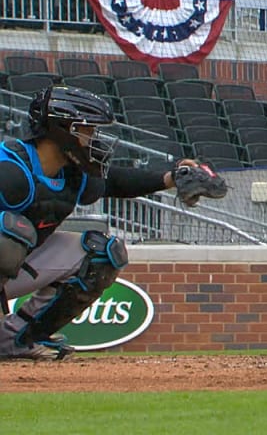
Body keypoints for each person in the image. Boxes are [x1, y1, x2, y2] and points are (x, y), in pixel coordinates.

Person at [0, 85, 215, 359]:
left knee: (100, 254)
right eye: (86, 130)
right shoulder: (10, 171)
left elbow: (113, 181)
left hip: (15, 267)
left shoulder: (73, 174)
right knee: (10, 232)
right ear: (60, 131)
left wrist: (170, 178)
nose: (92, 139)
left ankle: (14, 341)